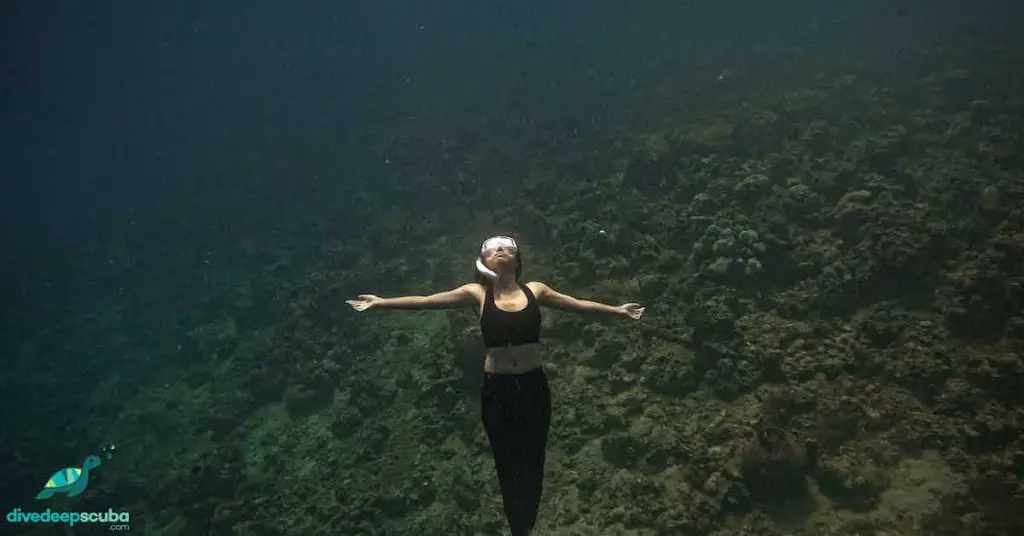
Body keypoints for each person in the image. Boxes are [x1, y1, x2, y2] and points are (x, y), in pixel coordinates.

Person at [346, 235, 645, 535]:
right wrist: (381, 303)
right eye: (492, 249)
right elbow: (425, 302)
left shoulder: (536, 290)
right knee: (506, 459)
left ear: (517, 260)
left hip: (533, 387)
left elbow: (578, 305)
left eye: (507, 248)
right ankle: (518, 528)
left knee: (533, 458)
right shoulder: (476, 293)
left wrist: (617, 310)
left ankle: (525, 526)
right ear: (483, 262)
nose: (500, 251)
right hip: (497, 389)